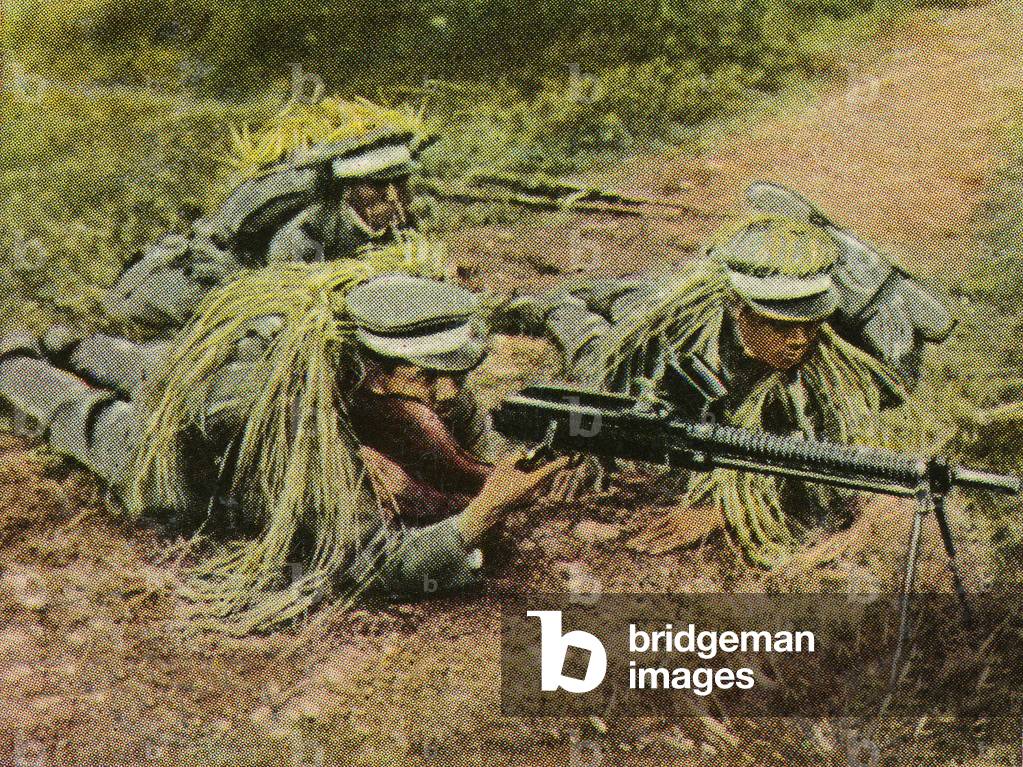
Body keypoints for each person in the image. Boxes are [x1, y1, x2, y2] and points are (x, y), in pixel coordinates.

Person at [0, 250, 567, 634]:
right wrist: (476, 518)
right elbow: (368, 562)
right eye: (429, 379)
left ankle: (71, 341)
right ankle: (16, 357)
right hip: (192, 460)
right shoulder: (299, 426)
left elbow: (461, 433)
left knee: (147, 366)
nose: (448, 392)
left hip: (226, 389)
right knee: (88, 417)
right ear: (372, 370)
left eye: (457, 375)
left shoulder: (415, 373)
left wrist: (488, 471)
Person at [528, 211, 937, 564]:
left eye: (810, 325)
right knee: (596, 338)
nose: (799, 340)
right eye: (780, 325)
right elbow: (612, 390)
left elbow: (808, 459)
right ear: (741, 311)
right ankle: (552, 305)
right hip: (661, 320)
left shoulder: (819, 373)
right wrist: (586, 453)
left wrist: (722, 509)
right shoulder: (682, 332)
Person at [104, 98, 437, 332]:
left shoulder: (393, 220)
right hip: (203, 281)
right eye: (377, 186)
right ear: (347, 189)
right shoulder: (307, 225)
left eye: (399, 183)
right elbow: (290, 287)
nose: (392, 198)